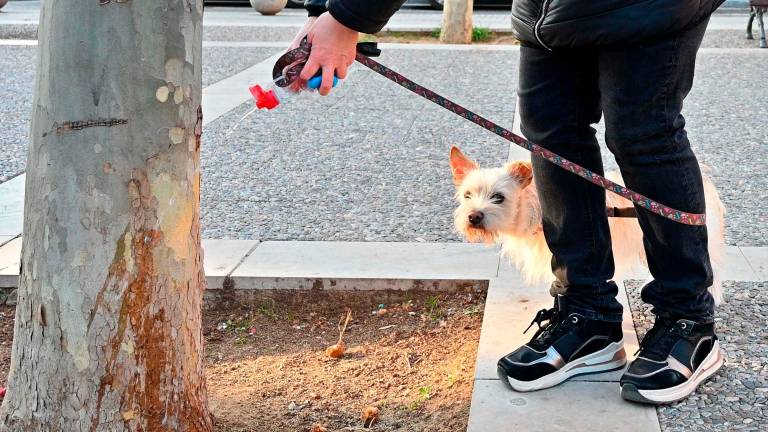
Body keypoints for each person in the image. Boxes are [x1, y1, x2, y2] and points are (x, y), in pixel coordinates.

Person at [292, 0, 725, 404]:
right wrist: (326, 10)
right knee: (551, 131)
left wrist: (348, 15)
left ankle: (688, 319)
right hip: (548, 10)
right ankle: (588, 312)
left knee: (641, 132)